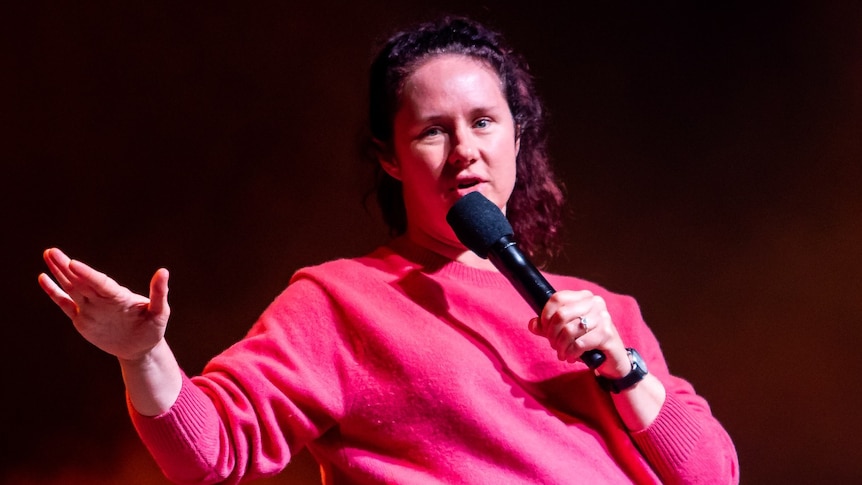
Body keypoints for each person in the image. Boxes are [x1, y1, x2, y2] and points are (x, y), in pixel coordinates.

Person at [38, 16, 738, 485]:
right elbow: (213, 444)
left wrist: (622, 366)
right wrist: (143, 355)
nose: (465, 149)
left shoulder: (605, 312)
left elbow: (712, 472)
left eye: (485, 122)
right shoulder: (343, 300)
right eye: (434, 130)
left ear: (517, 140)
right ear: (392, 158)